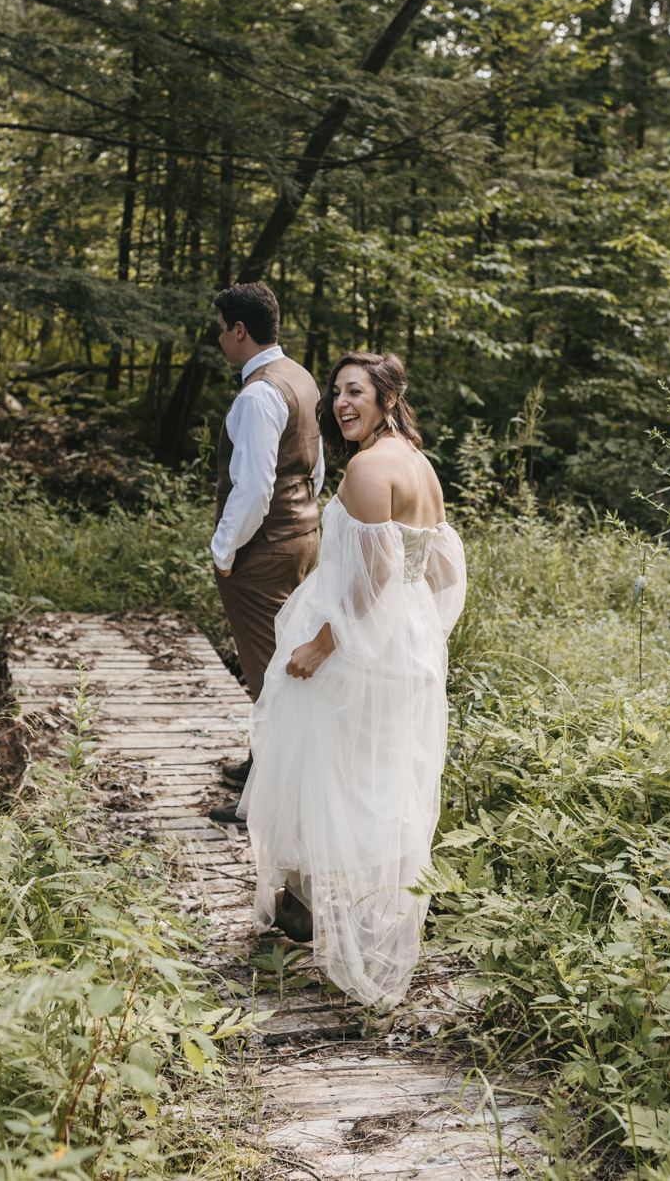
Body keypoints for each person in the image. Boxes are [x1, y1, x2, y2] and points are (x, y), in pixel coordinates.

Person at [238, 351, 466, 1008]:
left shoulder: (370, 468)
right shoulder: (419, 466)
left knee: (339, 780)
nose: (341, 403)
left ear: (388, 396)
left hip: (361, 650)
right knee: (383, 782)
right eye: (336, 392)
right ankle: (358, 918)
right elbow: (441, 567)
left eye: (356, 391)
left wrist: (321, 644)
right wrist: (418, 629)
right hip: (405, 645)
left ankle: (336, 920)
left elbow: (371, 580)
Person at [208, 282, 324, 824]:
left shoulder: (256, 393)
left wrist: (224, 549)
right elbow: (312, 467)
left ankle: (268, 799)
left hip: (263, 550)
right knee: (281, 658)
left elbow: (252, 488)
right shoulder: (299, 376)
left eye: (221, 329)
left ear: (239, 330)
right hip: (302, 536)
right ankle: (262, 762)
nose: (219, 339)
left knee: (267, 672)